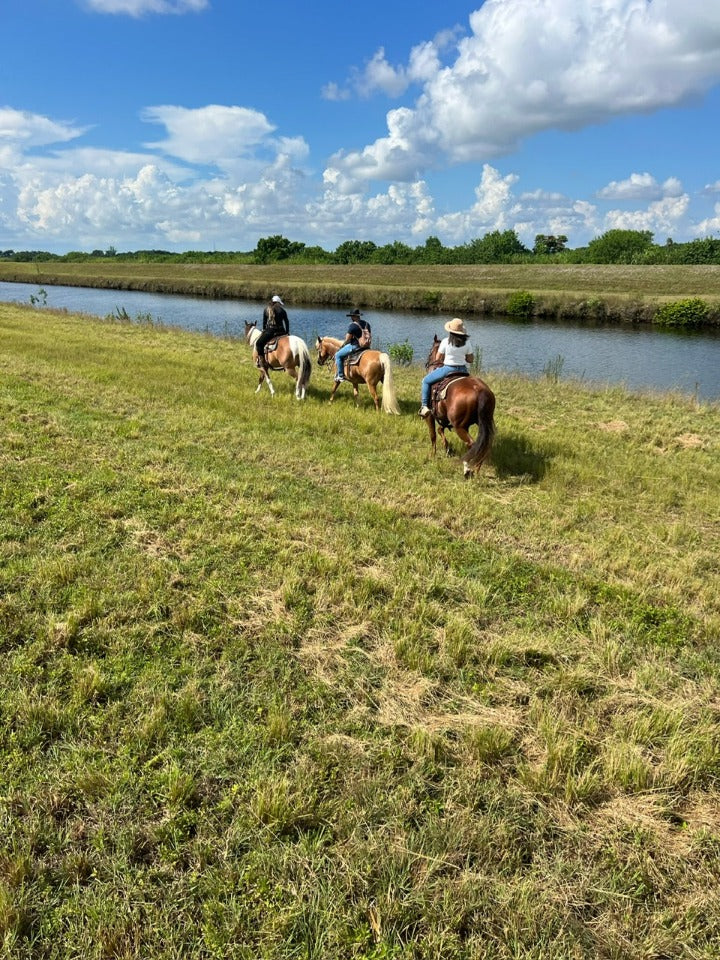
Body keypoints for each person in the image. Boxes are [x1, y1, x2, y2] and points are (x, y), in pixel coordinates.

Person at [419, 317, 474, 416]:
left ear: (450, 331)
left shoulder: (445, 341)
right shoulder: (467, 342)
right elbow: (470, 360)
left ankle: (424, 406)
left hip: (448, 369)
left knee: (426, 381)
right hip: (463, 371)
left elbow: (438, 358)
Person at [334, 308, 372, 382]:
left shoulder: (353, 325)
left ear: (354, 316)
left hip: (355, 346)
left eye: (351, 316)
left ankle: (340, 376)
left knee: (338, 355)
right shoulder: (367, 324)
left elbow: (347, 339)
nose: (351, 318)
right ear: (359, 316)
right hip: (366, 346)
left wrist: (343, 345)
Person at [255, 295, 290, 370]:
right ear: (278, 302)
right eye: (279, 303)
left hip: (271, 331)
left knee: (259, 343)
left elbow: (264, 322)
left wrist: (264, 330)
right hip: (281, 332)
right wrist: (287, 332)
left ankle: (262, 361)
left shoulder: (266, 310)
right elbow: (287, 322)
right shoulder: (282, 311)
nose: (280, 305)